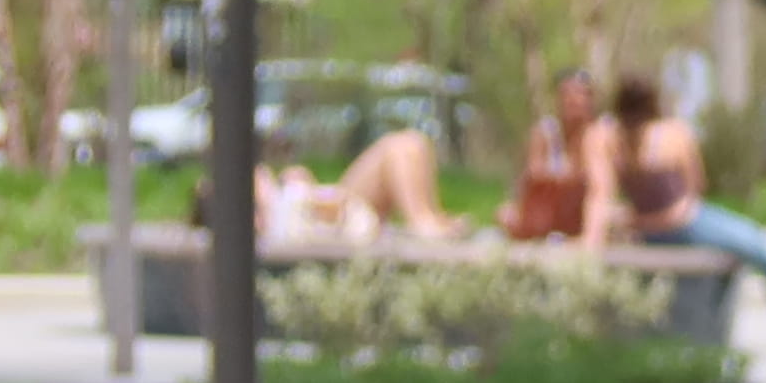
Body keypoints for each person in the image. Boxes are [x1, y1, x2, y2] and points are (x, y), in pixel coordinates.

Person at [588, 67, 766, 321]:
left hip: (668, 226)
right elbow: (694, 185)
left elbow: (691, 187)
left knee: (754, 248)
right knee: (762, 248)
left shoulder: (639, 135)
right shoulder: (638, 135)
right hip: (667, 226)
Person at [257, 122, 464, 248]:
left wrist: (300, 184)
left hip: (318, 211)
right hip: (311, 221)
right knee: (398, 148)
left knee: (414, 141)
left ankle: (429, 216)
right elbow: (266, 221)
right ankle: (421, 222)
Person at [502, 70, 601, 243]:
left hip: (582, 215)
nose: (573, 100)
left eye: (580, 94)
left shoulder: (599, 134)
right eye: (567, 94)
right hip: (547, 215)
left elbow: (598, 183)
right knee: (507, 215)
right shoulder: (545, 133)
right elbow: (533, 175)